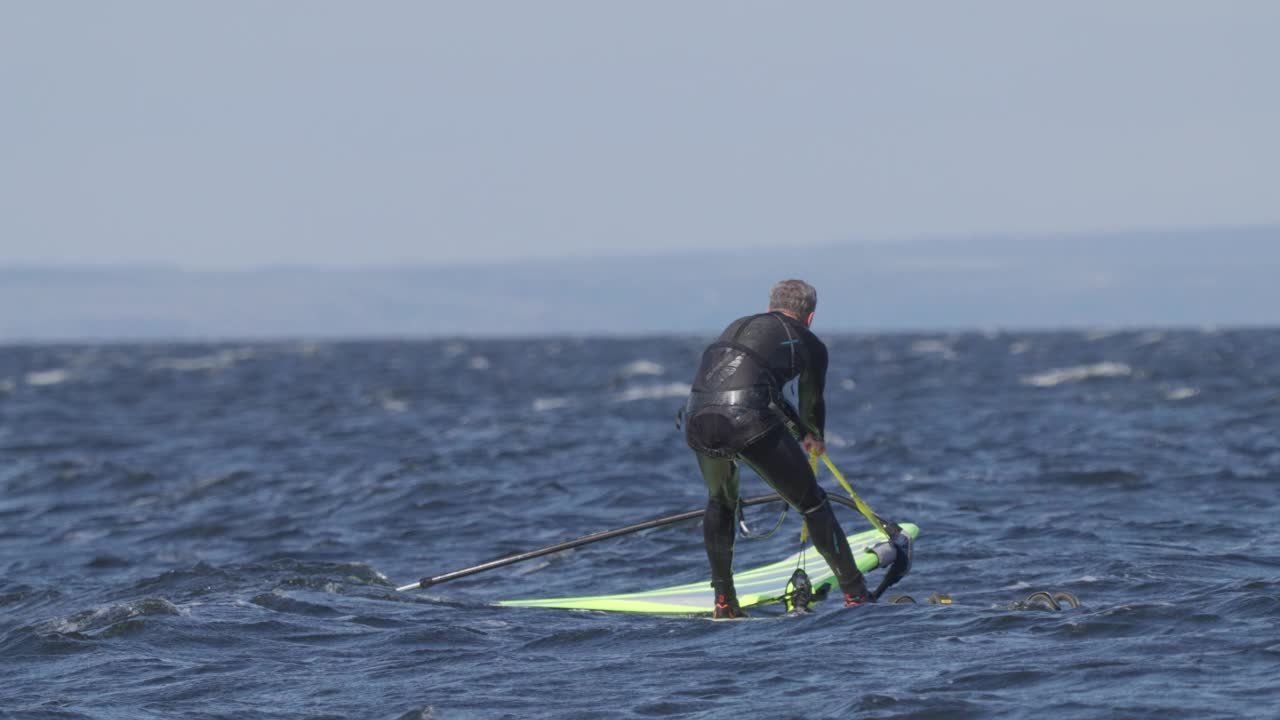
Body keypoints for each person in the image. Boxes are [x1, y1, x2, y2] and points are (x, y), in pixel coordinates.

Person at [684, 279, 872, 618]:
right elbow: (810, 399)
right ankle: (857, 596)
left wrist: (799, 431)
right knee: (813, 505)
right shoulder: (810, 342)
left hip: (697, 416)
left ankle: (724, 603)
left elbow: (755, 386)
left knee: (721, 501)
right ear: (810, 317)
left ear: (771, 306)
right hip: (747, 418)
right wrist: (813, 434)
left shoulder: (738, 325)